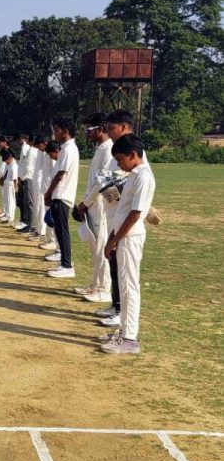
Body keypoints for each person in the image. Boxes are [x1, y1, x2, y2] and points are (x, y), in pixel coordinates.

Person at [98, 109, 154, 329]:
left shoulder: (141, 171)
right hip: (120, 229)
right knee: (123, 281)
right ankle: (123, 326)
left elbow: (135, 212)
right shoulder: (133, 171)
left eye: (121, 160)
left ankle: (129, 334)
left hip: (129, 234)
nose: (119, 164)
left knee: (129, 285)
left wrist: (114, 238)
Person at [74, 115, 113, 303]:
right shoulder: (100, 149)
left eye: (89, 130)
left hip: (99, 205)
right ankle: (95, 284)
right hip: (92, 204)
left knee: (101, 246)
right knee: (94, 246)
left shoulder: (109, 150)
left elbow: (102, 182)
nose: (86, 133)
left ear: (100, 129)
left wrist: (85, 202)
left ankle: (104, 288)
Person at [44, 118, 79, 279]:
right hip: (60, 194)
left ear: (65, 131)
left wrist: (49, 193)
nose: (55, 133)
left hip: (62, 194)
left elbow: (60, 174)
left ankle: (67, 265)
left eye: (57, 130)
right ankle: (64, 263)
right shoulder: (66, 148)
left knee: (62, 230)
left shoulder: (69, 149)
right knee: (59, 230)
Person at [28, 132, 49, 241]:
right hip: (37, 183)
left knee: (41, 209)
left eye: (39, 146)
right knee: (37, 208)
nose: (38, 149)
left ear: (44, 143)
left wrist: (41, 185)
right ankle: (37, 229)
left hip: (42, 185)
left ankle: (41, 232)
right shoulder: (41, 152)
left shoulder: (48, 153)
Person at [15, 132, 37, 232]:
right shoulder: (30, 150)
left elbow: (27, 166)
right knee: (27, 201)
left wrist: (21, 178)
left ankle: (30, 224)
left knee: (29, 202)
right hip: (27, 177)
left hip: (28, 178)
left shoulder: (29, 150)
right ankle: (29, 223)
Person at [0, 148, 18, 223]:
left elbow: (15, 179)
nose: (6, 163)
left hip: (11, 185)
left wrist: (15, 188)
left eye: (6, 161)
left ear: (10, 158)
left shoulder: (14, 166)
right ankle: (7, 215)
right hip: (7, 184)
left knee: (11, 201)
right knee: (7, 200)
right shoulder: (10, 164)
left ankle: (10, 217)